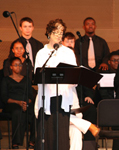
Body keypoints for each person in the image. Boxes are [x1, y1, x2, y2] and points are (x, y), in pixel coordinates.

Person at [34, 18, 77, 150]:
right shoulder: (41, 53)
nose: (59, 35)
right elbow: (38, 76)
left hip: (63, 98)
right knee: (47, 134)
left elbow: (74, 76)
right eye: (56, 32)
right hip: (47, 97)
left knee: (61, 134)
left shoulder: (68, 52)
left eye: (61, 32)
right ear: (49, 33)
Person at [61, 33, 100, 150]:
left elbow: (87, 84)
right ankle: (90, 127)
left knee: (89, 112)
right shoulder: (58, 67)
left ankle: (89, 144)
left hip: (76, 102)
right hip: (61, 104)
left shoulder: (79, 66)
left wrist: (88, 95)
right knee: (63, 116)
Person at [1, 57, 33, 149]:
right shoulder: (6, 80)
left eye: (20, 65)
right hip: (11, 104)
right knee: (17, 112)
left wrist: (25, 103)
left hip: (25, 103)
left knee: (34, 113)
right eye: (15, 65)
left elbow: (31, 95)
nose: (18, 67)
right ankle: (16, 142)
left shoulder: (26, 79)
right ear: (11, 67)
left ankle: (32, 141)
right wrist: (18, 102)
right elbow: (4, 97)